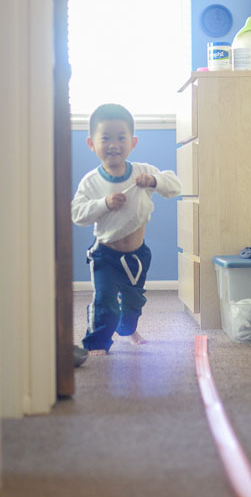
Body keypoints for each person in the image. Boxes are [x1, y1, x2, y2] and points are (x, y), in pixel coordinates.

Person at [72, 103, 181, 355]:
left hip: (137, 255)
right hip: (105, 255)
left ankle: (128, 328)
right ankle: (97, 343)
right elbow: (77, 214)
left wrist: (154, 180)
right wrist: (103, 204)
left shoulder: (142, 173)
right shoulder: (92, 181)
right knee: (105, 302)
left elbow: (174, 186)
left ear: (133, 142)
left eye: (121, 138)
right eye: (106, 138)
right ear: (91, 143)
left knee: (134, 302)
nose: (114, 144)